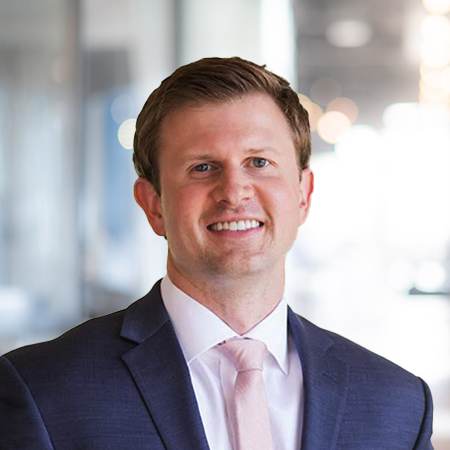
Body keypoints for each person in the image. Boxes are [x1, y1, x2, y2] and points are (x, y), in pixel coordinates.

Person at [0, 57, 433, 450]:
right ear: (153, 205)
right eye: (202, 167)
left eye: (259, 162)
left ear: (303, 194)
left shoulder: (398, 406)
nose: (234, 192)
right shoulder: (43, 393)